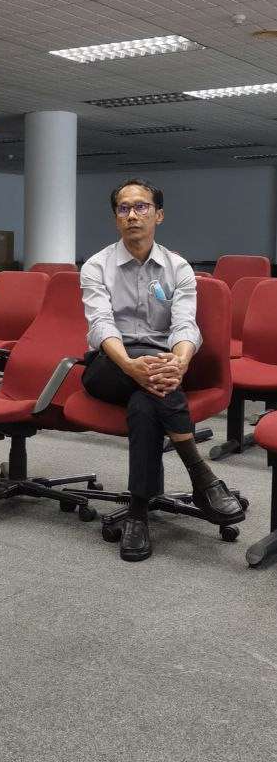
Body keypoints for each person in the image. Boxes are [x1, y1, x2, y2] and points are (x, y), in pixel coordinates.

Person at [80, 179, 244, 563]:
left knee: (145, 403)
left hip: (161, 362)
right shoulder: (96, 266)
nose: (132, 215)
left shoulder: (178, 267)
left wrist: (180, 361)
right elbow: (100, 325)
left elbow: (185, 325)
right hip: (110, 364)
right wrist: (129, 365)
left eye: (141, 206)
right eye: (123, 208)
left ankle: (138, 513)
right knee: (153, 383)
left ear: (159, 215)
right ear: (116, 218)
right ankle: (201, 474)